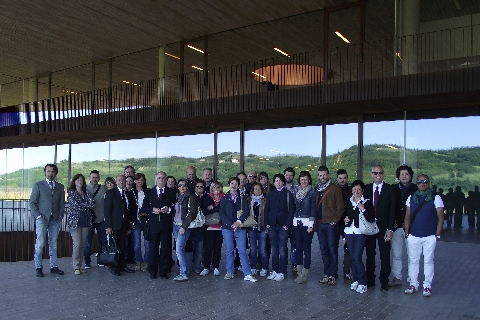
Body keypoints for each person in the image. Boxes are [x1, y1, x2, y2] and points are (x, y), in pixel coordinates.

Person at [404, 174, 444, 297]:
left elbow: (441, 218)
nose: (422, 184)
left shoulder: (435, 197)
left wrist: (437, 235)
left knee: (428, 261)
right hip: (414, 235)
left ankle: (427, 286)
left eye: (425, 181)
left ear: (428, 183)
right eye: (420, 182)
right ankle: (413, 284)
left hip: (429, 235)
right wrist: (407, 233)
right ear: (417, 183)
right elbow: (407, 217)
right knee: (413, 261)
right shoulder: (411, 198)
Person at [29, 164, 66, 277]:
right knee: (40, 244)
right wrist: (38, 216)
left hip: (54, 219)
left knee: (53, 244)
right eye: (48, 171)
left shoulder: (60, 187)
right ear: (45, 172)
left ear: (56, 173)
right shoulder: (38, 185)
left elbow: (61, 204)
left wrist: (60, 217)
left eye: (53, 171)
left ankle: (53, 266)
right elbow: (32, 203)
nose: (51, 173)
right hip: (42, 219)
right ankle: (38, 267)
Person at [219, 176, 258, 282]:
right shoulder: (224, 198)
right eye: (232, 183)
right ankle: (229, 271)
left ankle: (247, 273)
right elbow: (221, 213)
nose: (234, 185)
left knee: (242, 251)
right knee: (229, 251)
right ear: (229, 184)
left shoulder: (242, 197)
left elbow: (246, 211)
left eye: (236, 183)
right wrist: (231, 224)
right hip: (227, 228)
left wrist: (238, 222)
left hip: (240, 227)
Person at [365, 165, 396, 291]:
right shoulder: (366, 188)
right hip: (370, 226)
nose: (378, 175)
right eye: (375, 173)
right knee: (370, 254)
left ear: (383, 174)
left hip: (384, 227)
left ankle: (384, 281)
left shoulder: (390, 189)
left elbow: (393, 210)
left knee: (385, 255)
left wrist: (390, 229)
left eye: (380, 173)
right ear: (372, 174)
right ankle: (370, 280)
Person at [141, 172, 176, 279]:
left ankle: (164, 271)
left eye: (163, 178)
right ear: (156, 179)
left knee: (165, 249)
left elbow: (175, 207)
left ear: (166, 180)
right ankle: (152, 271)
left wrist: (168, 209)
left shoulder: (171, 192)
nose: (161, 180)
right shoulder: (149, 192)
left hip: (165, 225)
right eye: (159, 178)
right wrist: (152, 210)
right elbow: (144, 208)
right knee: (153, 249)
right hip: (154, 225)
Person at [344, 180, 375, 294]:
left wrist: (363, 209)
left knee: (357, 257)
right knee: (352, 257)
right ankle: (355, 279)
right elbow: (344, 217)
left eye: (359, 189)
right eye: (354, 189)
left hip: (360, 232)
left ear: (362, 191)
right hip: (348, 232)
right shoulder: (348, 202)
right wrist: (345, 220)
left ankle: (363, 282)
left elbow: (371, 219)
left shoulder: (366, 202)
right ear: (351, 190)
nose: (356, 191)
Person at [315, 166, 345, 286]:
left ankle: (333, 275)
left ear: (328, 175)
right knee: (323, 250)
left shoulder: (335, 189)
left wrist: (335, 220)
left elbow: (340, 207)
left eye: (324, 175)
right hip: (320, 224)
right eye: (320, 175)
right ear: (318, 176)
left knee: (332, 249)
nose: (322, 177)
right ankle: (326, 274)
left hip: (331, 224)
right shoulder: (317, 189)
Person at [389, 164, 417, 287]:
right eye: (402, 174)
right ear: (398, 176)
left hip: (412, 227)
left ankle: (412, 278)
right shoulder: (393, 189)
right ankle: (397, 277)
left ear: (410, 175)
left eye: (406, 174)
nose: (404, 176)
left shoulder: (416, 189)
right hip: (397, 226)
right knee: (396, 253)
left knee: (412, 254)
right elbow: (390, 207)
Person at [265, 174, 295, 281]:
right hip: (272, 225)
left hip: (283, 226)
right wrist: (267, 223)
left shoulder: (288, 194)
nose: (278, 182)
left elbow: (291, 211)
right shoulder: (271, 194)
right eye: (276, 181)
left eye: (280, 181)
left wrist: (287, 225)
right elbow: (267, 209)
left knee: (282, 249)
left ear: (283, 182)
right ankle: (275, 269)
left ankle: (281, 271)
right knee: (274, 249)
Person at [104, 175, 136, 276]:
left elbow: (129, 209)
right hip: (114, 224)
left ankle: (122, 265)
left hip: (124, 224)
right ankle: (114, 267)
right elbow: (107, 211)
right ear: (116, 182)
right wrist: (108, 226)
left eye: (123, 180)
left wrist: (129, 223)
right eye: (119, 180)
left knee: (123, 246)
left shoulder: (127, 193)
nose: (121, 182)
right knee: (115, 246)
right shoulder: (111, 193)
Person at [67, 173, 95, 275]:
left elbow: (93, 204)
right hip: (75, 222)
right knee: (77, 244)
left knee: (83, 245)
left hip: (86, 221)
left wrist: (85, 205)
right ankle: (75, 266)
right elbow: (75, 205)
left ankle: (80, 265)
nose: (80, 181)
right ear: (74, 181)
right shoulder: (72, 193)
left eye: (81, 180)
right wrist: (86, 205)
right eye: (78, 180)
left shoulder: (86, 192)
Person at [172, 178, 198, 281]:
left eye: (184, 185)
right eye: (180, 185)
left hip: (184, 226)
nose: (182, 187)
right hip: (175, 225)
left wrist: (184, 226)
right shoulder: (178, 197)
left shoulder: (191, 197)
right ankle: (185, 270)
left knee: (179, 249)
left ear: (187, 187)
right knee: (180, 249)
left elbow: (192, 213)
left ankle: (183, 273)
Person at [292, 171, 315, 284]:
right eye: (302, 180)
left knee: (307, 248)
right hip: (297, 222)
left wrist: (311, 225)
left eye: (305, 179)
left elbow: (312, 209)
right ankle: (299, 272)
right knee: (298, 248)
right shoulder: (297, 191)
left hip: (307, 223)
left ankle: (305, 273)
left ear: (309, 180)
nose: (304, 181)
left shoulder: (312, 192)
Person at [200, 181, 224, 276]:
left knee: (217, 248)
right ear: (212, 189)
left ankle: (216, 266)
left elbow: (225, 210)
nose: (216, 190)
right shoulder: (207, 197)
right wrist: (216, 207)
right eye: (214, 188)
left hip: (220, 227)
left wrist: (213, 208)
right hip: (209, 227)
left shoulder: (224, 197)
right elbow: (204, 211)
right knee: (208, 248)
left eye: (218, 187)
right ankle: (206, 267)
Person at [84, 170, 105, 269]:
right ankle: (87, 262)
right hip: (89, 220)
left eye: (96, 177)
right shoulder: (85, 189)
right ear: (90, 178)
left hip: (101, 219)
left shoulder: (103, 188)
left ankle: (101, 260)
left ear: (99, 178)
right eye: (93, 177)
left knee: (102, 241)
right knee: (88, 242)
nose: (95, 179)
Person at [247, 183, 268, 277]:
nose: (258, 191)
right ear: (253, 190)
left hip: (262, 227)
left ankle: (264, 267)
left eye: (259, 189)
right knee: (253, 249)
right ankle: (253, 267)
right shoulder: (249, 200)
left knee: (262, 249)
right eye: (256, 189)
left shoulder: (265, 200)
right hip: (252, 227)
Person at [131, 173, 149, 271]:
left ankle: (146, 262)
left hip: (145, 220)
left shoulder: (147, 192)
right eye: (137, 180)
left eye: (141, 180)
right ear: (134, 181)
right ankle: (138, 261)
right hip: (135, 221)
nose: (139, 182)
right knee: (137, 243)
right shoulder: (131, 192)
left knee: (147, 243)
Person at [190, 179, 207, 274]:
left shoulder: (206, 197)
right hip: (192, 226)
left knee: (199, 249)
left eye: (201, 186)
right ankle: (189, 267)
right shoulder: (191, 197)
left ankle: (197, 267)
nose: (199, 188)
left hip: (201, 227)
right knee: (190, 249)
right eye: (197, 186)